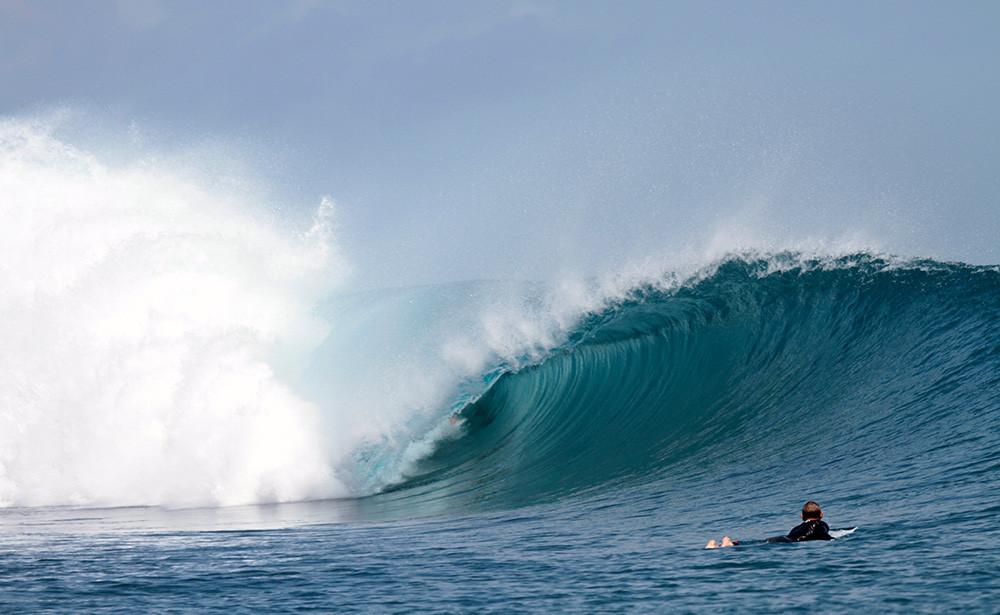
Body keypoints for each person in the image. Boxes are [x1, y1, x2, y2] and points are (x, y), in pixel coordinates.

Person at [705, 500, 832, 549]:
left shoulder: (797, 527)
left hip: (781, 538)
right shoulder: (821, 524)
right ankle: (729, 544)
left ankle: (727, 543)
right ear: (821, 515)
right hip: (787, 542)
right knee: (758, 545)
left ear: (801, 517)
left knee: (759, 543)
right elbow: (823, 535)